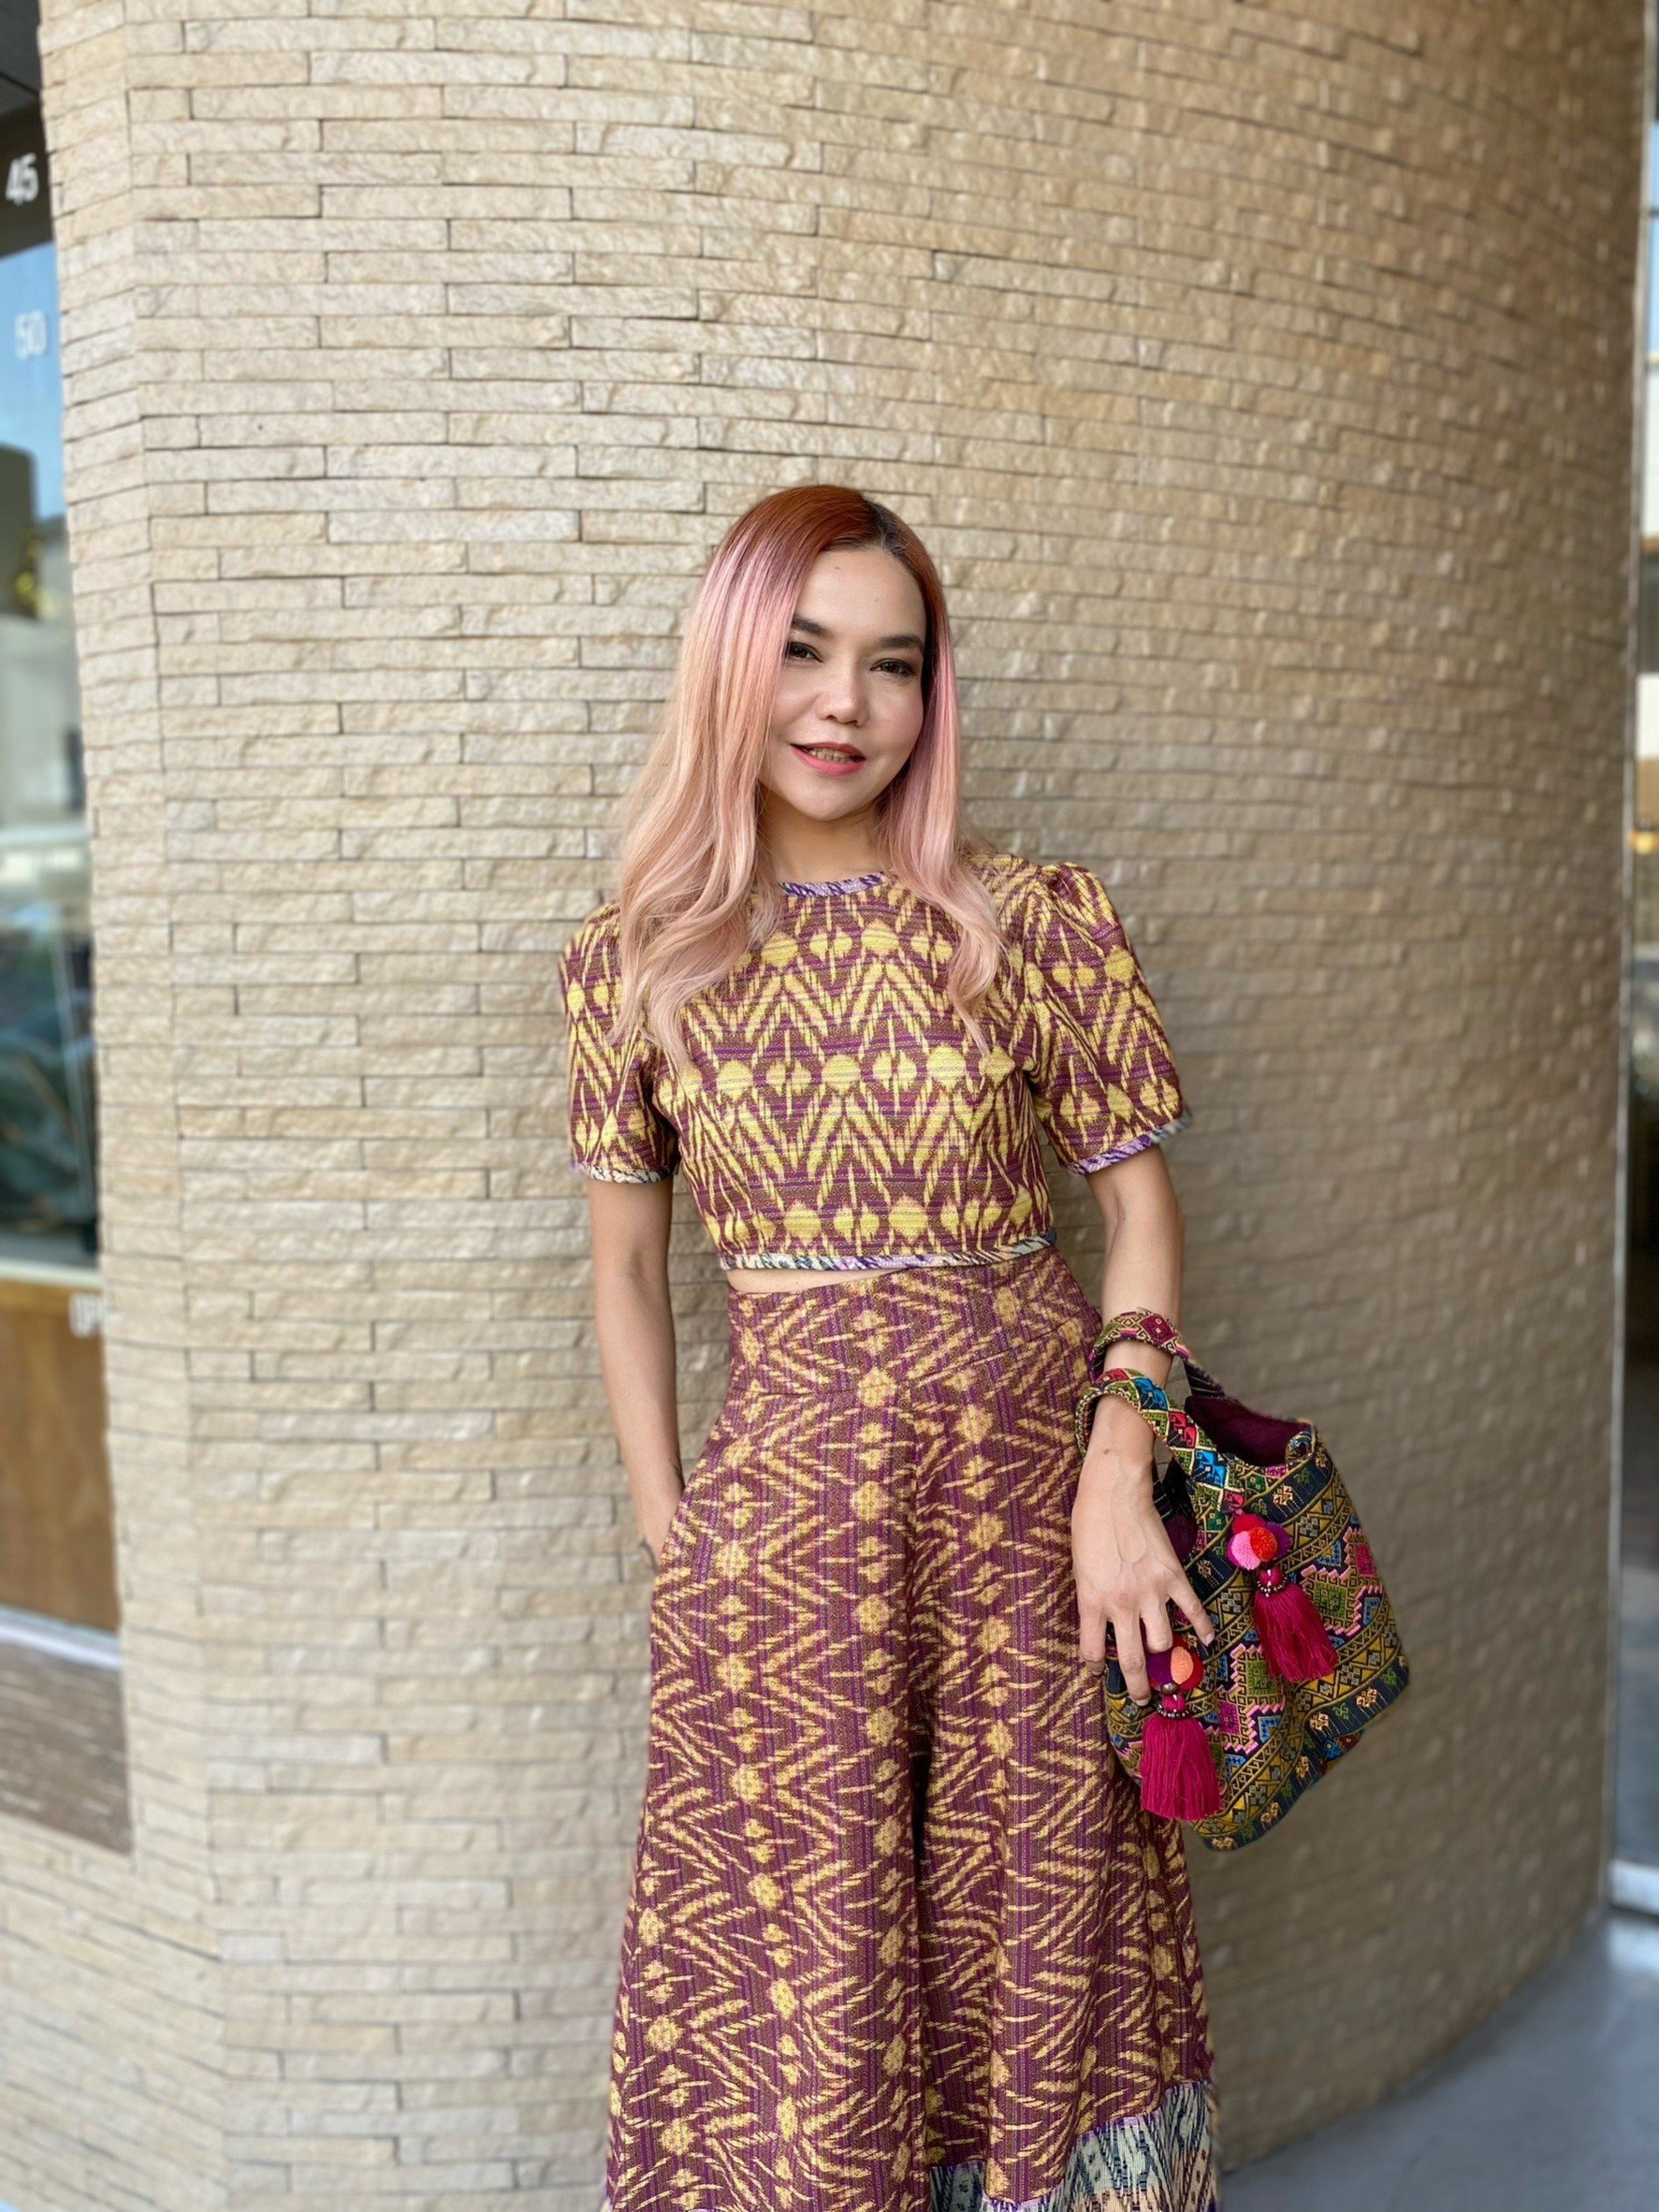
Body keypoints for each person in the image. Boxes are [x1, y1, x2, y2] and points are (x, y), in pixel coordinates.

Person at [559, 484, 1222, 2211]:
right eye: (801, 652)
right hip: (779, 1546)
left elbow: (1140, 1220)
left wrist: (1116, 1480)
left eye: (893, 663)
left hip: (1039, 1526)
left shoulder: (1036, 921)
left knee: (1046, 1921)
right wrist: (673, 1533)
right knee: (805, 1970)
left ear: (934, 692)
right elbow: (623, 1270)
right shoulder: (633, 963)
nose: (843, 705)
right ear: (729, 663)